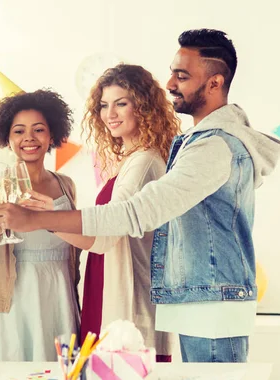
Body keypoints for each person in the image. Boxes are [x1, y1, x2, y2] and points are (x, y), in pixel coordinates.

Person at [0, 29, 280, 363]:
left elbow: (132, 215)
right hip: (200, 298)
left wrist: (37, 220)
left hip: (209, 300)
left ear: (215, 82)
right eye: (104, 105)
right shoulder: (193, 144)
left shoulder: (211, 146)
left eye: (182, 75)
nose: (171, 83)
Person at [34, 64, 178, 360]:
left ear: (144, 107)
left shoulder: (144, 163)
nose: (110, 114)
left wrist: (43, 219)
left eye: (121, 103)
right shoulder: (133, 160)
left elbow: (103, 238)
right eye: (103, 105)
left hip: (127, 298)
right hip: (112, 286)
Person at [0, 90, 80, 361]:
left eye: (38, 129)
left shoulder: (66, 184)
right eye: (19, 131)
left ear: (52, 135)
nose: (29, 138)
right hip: (15, 295)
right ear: (7, 138)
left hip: (60, 292)